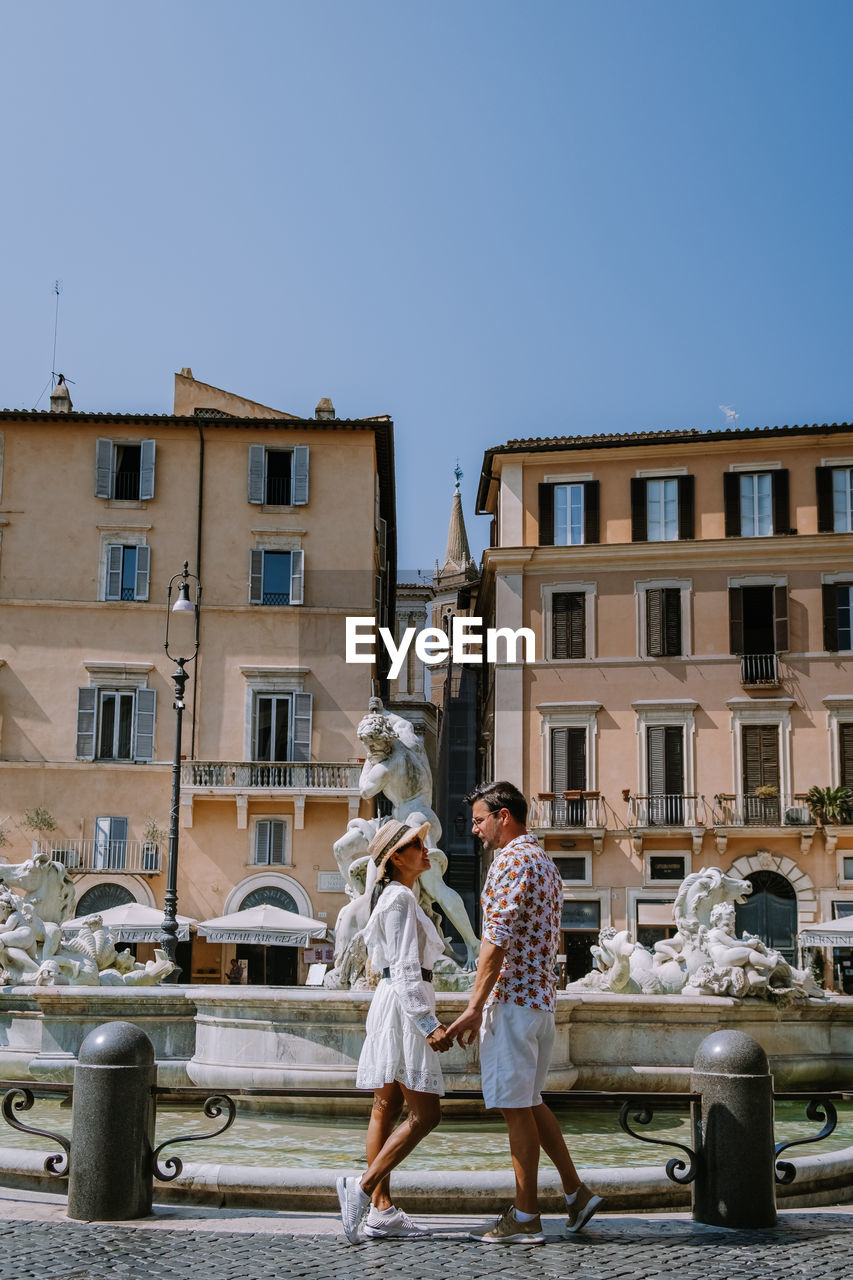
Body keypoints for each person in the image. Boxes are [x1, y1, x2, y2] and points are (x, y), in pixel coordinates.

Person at [445, 780, 603, 1244]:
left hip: (512, 1003)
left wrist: (474, 1006)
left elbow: (496, 939)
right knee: (531, 1104)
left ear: (503, 817)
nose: (475, 830)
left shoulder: (510, 861)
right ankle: (575, 1194)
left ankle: (526, 1216)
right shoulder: (546, 863)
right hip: (539, 1003)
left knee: (515, 1109)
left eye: (479, 820)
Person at [336, 819, 452, 1244]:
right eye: (416, 845)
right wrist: (429, 1024)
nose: (425, 849)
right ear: (396, 858)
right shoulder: (400, 898)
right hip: (405, 1003)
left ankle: (382, 1212)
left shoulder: (393, 896)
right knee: (427, 1114)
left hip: (391, 1000)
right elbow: (405, 967)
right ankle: (363, 1188)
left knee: (384, 1108)